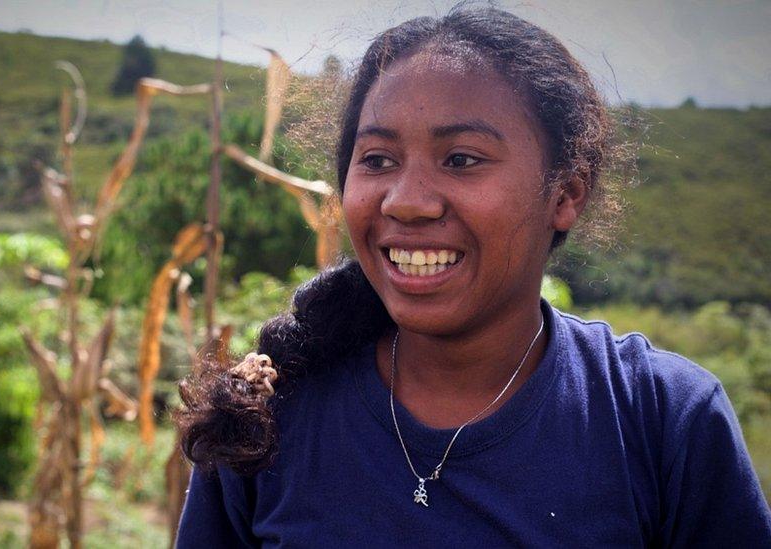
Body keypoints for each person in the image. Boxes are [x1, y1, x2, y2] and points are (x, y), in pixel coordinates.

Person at [174, 6, 771, 547]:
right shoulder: (266, 414)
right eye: (378, 160)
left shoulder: (661, 420)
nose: (406, 202)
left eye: (462, 159)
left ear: (565, 193)